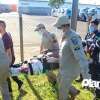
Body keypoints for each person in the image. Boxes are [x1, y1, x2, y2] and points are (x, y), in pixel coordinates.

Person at [54, 16, 90, 100]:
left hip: (70, 70)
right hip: (64, 67)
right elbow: (64, 52)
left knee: (62, 92)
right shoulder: (65, 35)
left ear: (63, 26)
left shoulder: (73, 37)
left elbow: (81, 57)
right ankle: (74, 91)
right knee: (59, 80)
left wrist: (86, 77)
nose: (59, 29)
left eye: (59, 27)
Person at [0, 20, 23, 94]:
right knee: (9, 73)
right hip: (8, 59)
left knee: (6, 75)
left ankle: (9, 91)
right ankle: (19, 82)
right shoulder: (4, 35)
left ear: (2, 27)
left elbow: (8, 53)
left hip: (9, 59)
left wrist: (8, 63)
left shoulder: (5, 38)